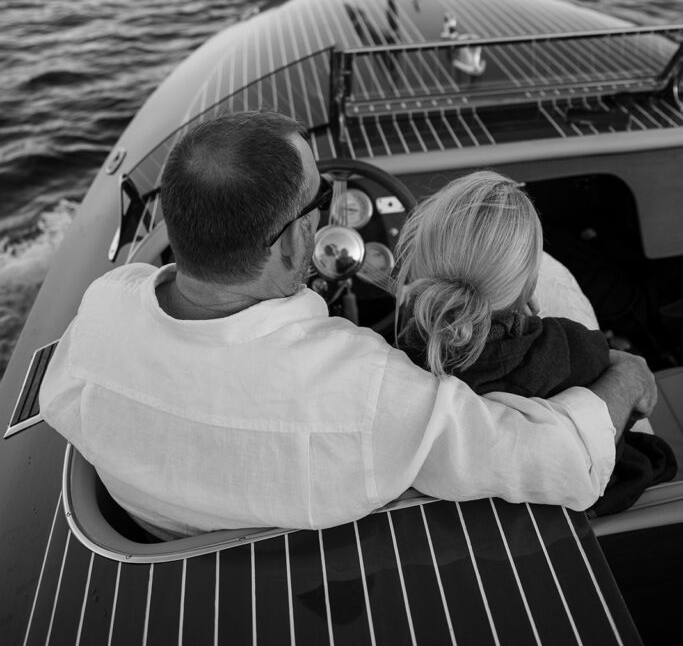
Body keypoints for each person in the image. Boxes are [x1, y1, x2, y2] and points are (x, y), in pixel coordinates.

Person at [40, 111, 658, 538]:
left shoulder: (101, 313)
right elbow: (564, 462)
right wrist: (627, 378)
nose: (327, 217)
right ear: (294, 245)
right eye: (320, 204)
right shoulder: (362, 394)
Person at [396, 171, 676, 516]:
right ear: (530, 287)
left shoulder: (400, 361)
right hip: (603, 511)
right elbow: (630, 416)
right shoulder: (575, 347)